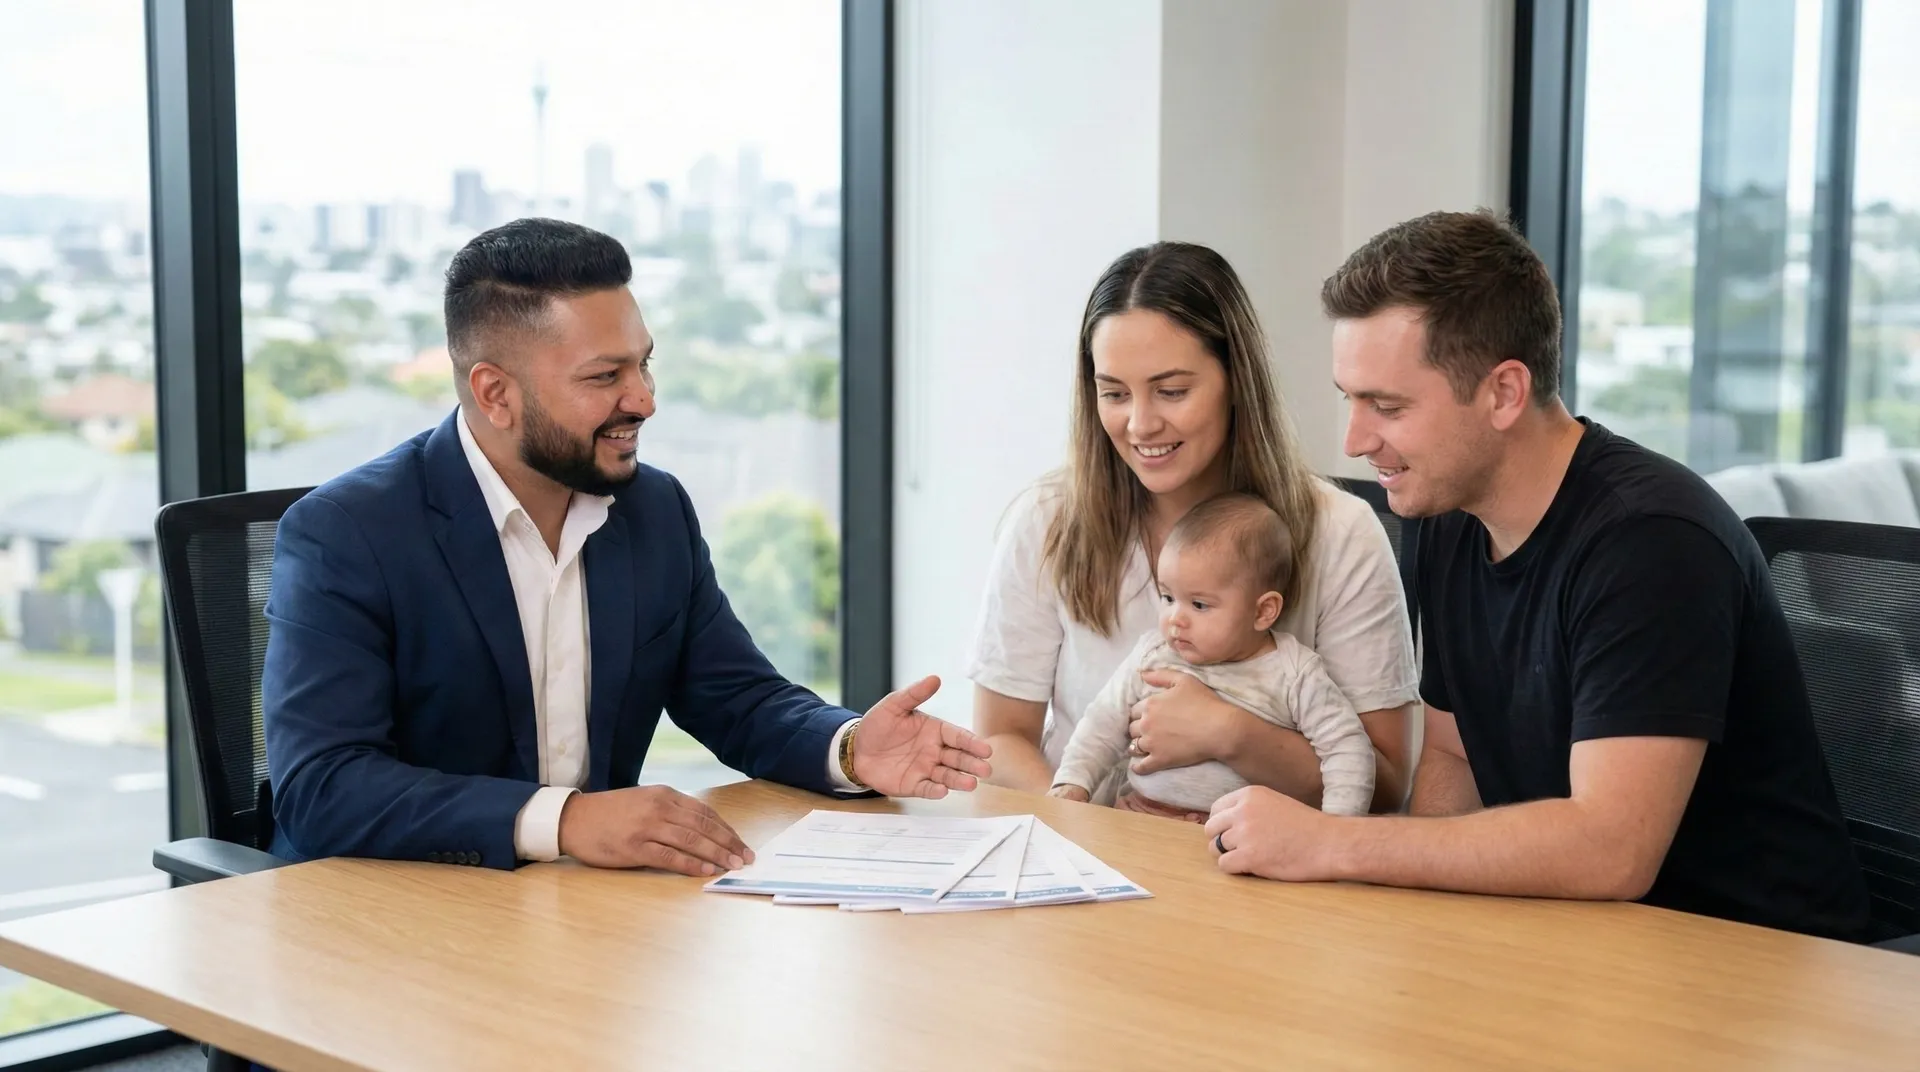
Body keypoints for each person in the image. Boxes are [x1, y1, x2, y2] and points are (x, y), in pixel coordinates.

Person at [1204, 209, 1871, 942]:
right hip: (1582, 941)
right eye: (1350, 400)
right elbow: (1455, 759)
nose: (1357, 440)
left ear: (1504, 393)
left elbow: (1611, 851)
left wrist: (1331, 844)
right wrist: (1412, 931)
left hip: (1754, 964)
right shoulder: (1448, 516)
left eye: (1387, 406)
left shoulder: (1652, 542)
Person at [262, 218, 990, 875]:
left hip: (580, 916)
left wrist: (851, 748)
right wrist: (567, 820)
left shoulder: (653, 509)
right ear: (495, 393)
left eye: (643, 364)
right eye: (604, 377)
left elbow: (737, 698)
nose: (643, 399)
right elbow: (325, 787)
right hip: (392, 919)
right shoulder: (347, 534)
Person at [969, 241, 1419, 820]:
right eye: (1113, 393)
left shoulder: (1342, 533)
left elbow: (1385, 786)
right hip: (1086, 860)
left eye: (1172, 391)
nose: (1140, 423)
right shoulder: (1048, 520)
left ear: (1237, 380)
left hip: (1264, 883)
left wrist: (1234, 734)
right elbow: (1003, 739)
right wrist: (1096, 831)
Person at [1048, 493, 1374, 816]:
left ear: (1263, 611)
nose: (1175, 617)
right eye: (1167, 597)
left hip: (1242, 834)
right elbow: (1102, 722)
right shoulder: (1153, 654)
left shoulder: (1294, 673)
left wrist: (1336, 829)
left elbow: (1347, 749)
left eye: (1199, 604)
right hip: (1141, 815)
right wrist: (1073, 782)